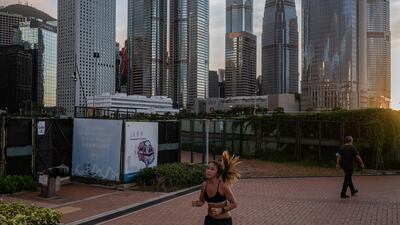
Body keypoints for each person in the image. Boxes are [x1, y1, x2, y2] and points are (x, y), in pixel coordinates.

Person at [192, 151, 241, 225]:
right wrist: (196, 203)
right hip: (210, 220)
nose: (208, 171)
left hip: (224, 221)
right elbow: (202, 201)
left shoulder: (223, 186)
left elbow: (234, 204)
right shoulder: (204, 185)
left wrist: (221, 210)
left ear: (217, 173)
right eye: (207, 168)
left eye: (212, 169)